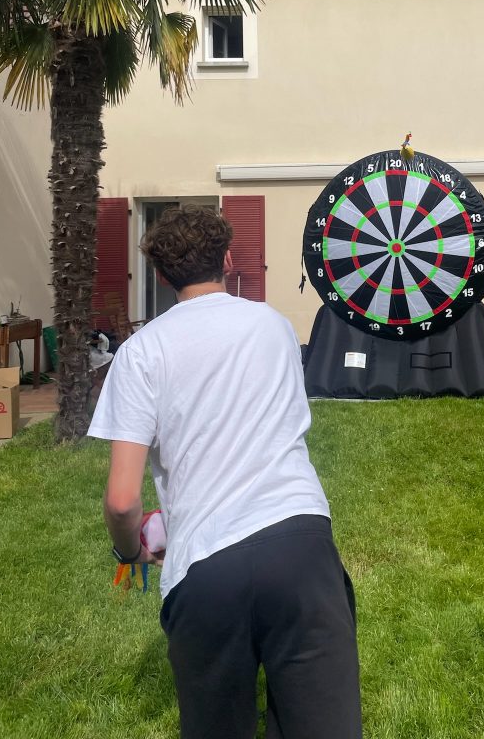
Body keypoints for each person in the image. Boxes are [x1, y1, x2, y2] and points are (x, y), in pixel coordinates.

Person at [88, 204, 362, 739]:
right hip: (303, 548)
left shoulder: (141, 353)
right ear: (228, 260)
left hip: (207, 568)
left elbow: (122, 501)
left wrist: (130, 551)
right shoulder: (273, 326)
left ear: (162, 276)